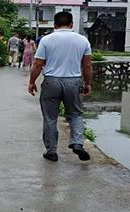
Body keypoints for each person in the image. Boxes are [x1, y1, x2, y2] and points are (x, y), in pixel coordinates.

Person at [28, 11, 93, 162]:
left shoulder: (46, 40)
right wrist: (88, 83)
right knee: (75, 114)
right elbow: (87, 66)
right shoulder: (83, 40)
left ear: (55, 25)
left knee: (50, 117)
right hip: (73, 81)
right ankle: (77, 142)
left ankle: (51, 151)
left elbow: (38, 64)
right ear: (71, 24)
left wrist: (32, 82)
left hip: (52, 81)